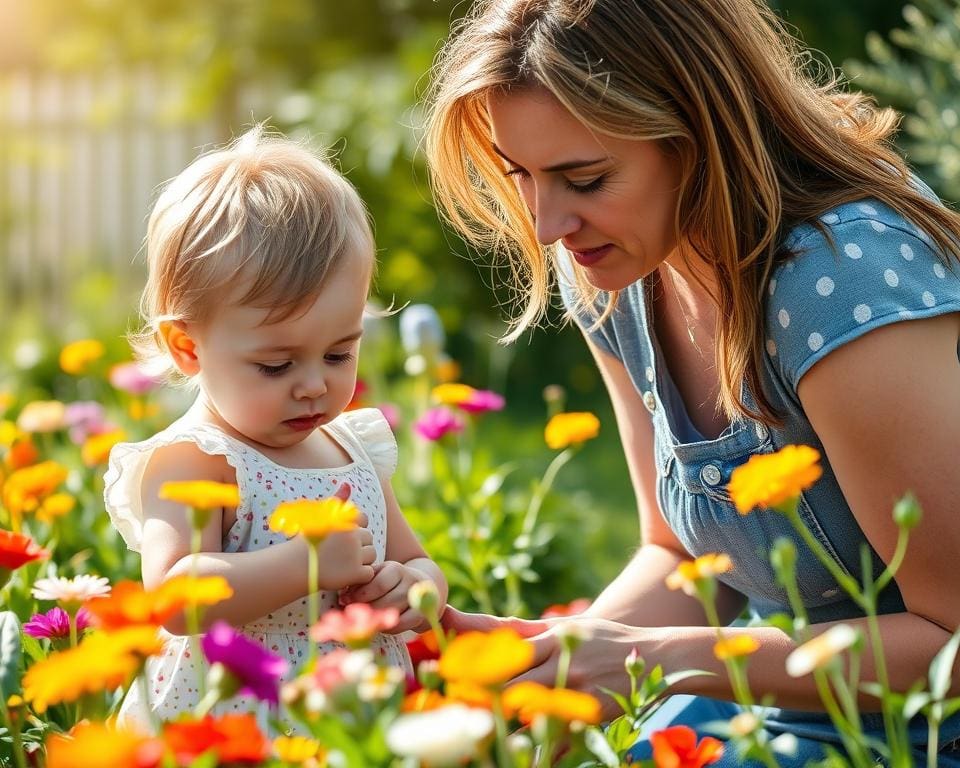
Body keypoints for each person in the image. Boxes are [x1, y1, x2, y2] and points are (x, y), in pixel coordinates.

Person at [423, 0, 960, 763]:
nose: (546, 225)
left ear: (700, 137)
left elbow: (953, 640)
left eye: (584, 177)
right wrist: (556, 666)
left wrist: (665, 658)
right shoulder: (616, 274)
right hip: (771, 702)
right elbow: (678, 554)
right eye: (523, 176)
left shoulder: (837, 282)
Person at [103, 126, 447, 731]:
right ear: (187, 347)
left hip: (349, 715)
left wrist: (411, 587)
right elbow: (174, 596)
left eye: (339, 354)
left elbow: (419, 561)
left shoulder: (350, 444)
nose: (314, 385)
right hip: (236, 721)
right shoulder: (197, 459)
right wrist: (307, 563)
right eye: (276, 365)